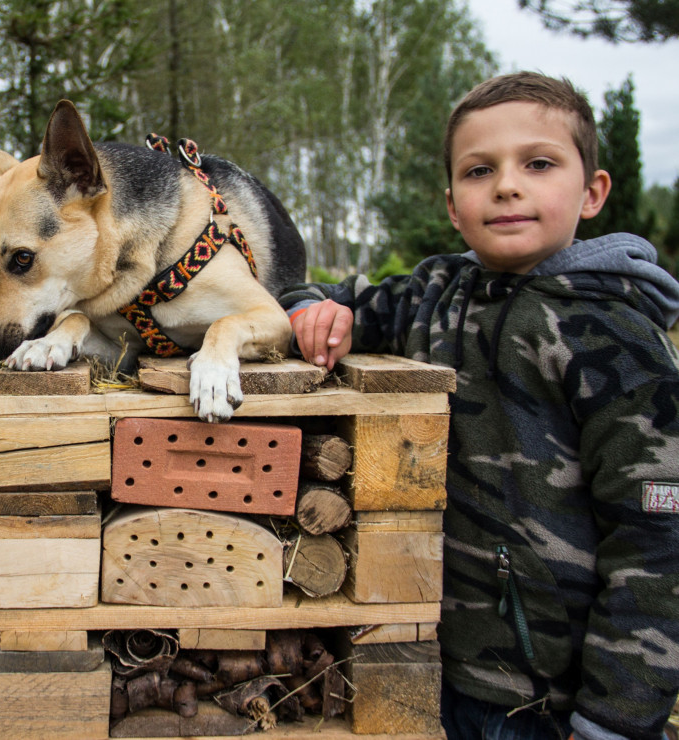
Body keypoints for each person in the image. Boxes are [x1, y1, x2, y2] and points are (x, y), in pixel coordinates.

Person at [281, 71, 679, 740]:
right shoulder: (436, 293)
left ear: (593, 193)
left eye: (539, 163)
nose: (506, 185)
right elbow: (340, 302)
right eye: (478, 170)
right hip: (432, 668)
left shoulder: (615, 337)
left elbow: (657, 541)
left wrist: (614, 719)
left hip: (553, 706)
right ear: (452, 204)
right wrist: (316, 313)